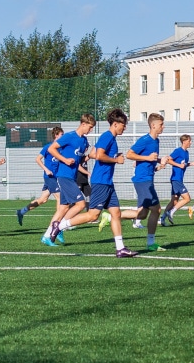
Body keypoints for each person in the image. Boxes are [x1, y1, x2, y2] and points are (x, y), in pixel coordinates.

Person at [57, 108, 137, 257]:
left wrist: (113, 155)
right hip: (101, 182)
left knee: (116, 213)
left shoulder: (110, 138)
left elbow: (93, 153)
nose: (125, 128)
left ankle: (120, 248)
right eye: (123, 125)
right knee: (93, 215)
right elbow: (99, 155)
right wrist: (116, 160)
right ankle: (60, 226)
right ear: (115, 124)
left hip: (107, 182)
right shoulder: (107, 136)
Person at [42, 114, 95, 246]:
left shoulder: (84, 141)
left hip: (72, 177)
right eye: (89, 127)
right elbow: (51, 149)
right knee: (81, 204)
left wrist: (90, 156)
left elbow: (78, 161)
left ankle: (46, 236)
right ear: (83, 124)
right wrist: (64, 160)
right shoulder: (69, 136)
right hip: (64, 176)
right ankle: (60, 227)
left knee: (63, 208)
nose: (90, 130)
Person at [124, 112, 168, 251]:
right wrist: (148, 158)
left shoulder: (156, 141)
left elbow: (150, 158)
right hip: (142, 180)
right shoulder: (145, 140)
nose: (163, 127)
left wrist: (160, 160)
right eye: (161, 124)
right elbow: (129, 154)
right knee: (156, 209)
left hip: (148, 179)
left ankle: (111, 216)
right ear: (153, 125)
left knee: (142, 214)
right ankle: (150, 243)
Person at [17, 126, 64, 225]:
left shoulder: (61, 148)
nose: (63, 136)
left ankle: (21, 212)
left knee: (43, 200)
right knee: (60, 197)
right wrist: (46, 170)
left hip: (55, 177)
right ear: (56, 135)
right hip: (49, 177)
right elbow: (37, 159)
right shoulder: (48, 147)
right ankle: (57, 223)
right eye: (61, 135)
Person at [162, 135, 194, 226]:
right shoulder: (178, 151)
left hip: (179, 179)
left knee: (173, 201)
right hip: (176, 179)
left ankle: (162, 219)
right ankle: (171, 212)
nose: (191, 143)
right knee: (187, 198)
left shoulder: (187, 153)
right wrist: (179, 165)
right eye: (189, 141)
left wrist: (191, 164)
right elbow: (168, 160)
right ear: (184, 141)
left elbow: (183, 164)